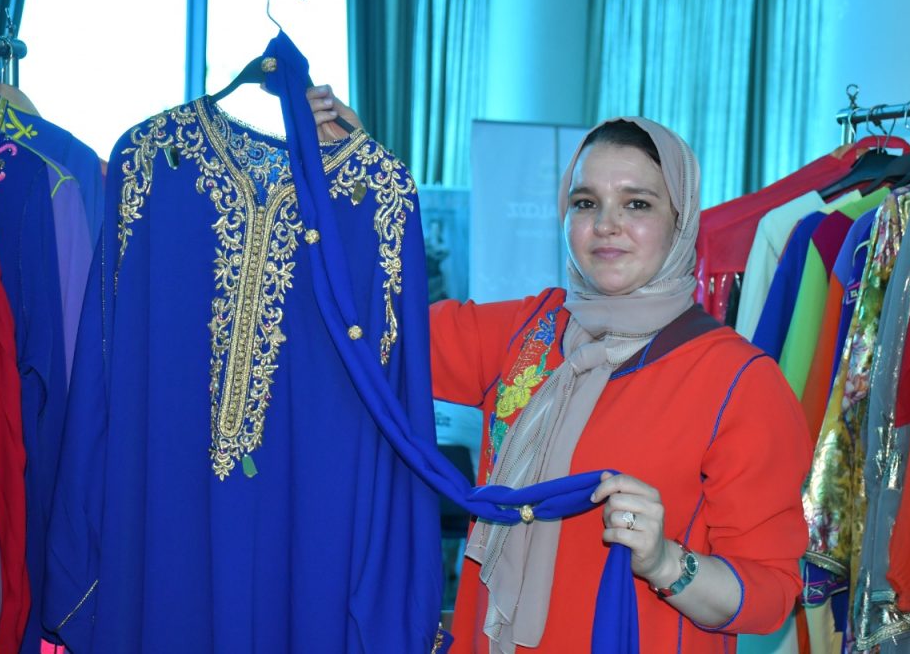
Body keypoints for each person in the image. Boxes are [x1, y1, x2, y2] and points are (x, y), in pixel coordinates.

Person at [307, 85, 812, 653]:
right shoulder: (529, 330)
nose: (606, 224)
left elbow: (770, 594)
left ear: (681, 220)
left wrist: (665, 561)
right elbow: (370, 331)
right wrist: (351, 182)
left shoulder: (739, 382)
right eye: (585, 203)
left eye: (637, 204)